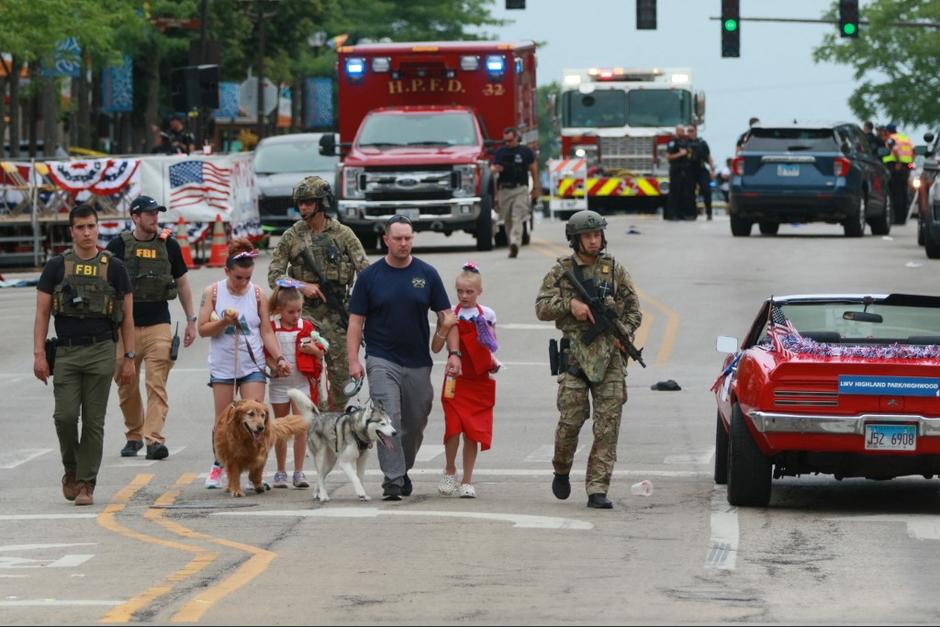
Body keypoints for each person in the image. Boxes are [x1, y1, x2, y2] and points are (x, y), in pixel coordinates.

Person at [346, 215, 462, 501]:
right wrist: (354, 360)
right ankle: (393, 480)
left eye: (408, 238)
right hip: (381, 358)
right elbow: (355, 323)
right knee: (390, 418)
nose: (403, 243)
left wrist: (454, 353)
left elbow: (447, 318)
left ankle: (403, 467)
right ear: (386, 240)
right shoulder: (370, 277)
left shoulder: (427, 274)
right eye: (397, 238)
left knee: (416, 419)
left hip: (418, 361)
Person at [534, 210, 643, 510]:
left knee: (607, 426)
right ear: (575, 239)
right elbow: (541, 307)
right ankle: (561, 467)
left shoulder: (615, 270)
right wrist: (571, 306)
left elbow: (634, 310)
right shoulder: (562, 270)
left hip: (610, 358)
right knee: (570, 421)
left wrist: (626, 333)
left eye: (597, 235)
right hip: (576, 358)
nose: (594, 241)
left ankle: (597, 488)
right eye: (587, 236)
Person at [33, 204, 136, 506]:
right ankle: (72, 469)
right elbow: (41, 314)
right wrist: (39, 354)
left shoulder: (114, 267)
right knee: (64, 417)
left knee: (94, 421)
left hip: (102, 349)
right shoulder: (55, 267)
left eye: (91, 226)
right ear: (72, 231)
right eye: (80, 227)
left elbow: (128, 318)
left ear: (98, 227)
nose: (87, 232)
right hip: (65, 351)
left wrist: (129, 357)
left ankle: (86, 484)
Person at [106, 195, 197, 461]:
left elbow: (182, 283)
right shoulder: (118, 246)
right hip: (125, 328)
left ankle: (154, 439)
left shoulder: (168, 244)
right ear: (135, 217)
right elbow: (106, 285)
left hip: (159, 323)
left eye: (156, 212)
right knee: (126, 384)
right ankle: (134, 434)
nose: (154, 217)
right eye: (148, 213)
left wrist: (191, 320)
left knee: (156, 383)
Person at [268, 176, 369, 410]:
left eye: (308, 202)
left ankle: (332, 419)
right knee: (307, 369)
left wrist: (360, 310)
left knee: (342, 377)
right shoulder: (292, 236)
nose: (303, 207)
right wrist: (300, 286)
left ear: (321, 203)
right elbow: (275, 276)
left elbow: (366, 272)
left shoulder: (343, 234)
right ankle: (317, 418)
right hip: (305, 315)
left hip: (338, 314)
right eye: (300, 203)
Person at [198, 238, 291, 489]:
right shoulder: (213, 292)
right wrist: (223, 323)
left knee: (257, 418)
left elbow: (267, 331)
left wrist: (279, 357)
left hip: (252, 365)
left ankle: (255, 471)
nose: (243, 283)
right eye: (238, 277)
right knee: (223, 421)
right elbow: (203, 329)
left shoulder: (258, 294)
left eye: (247, 278)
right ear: (227, 271)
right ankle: (219, 463)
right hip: (223, 365)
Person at [431, 262, 500, 499]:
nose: (464, 296)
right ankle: (449, 469)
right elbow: (436, 347)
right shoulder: (450, 313)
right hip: (455, 379)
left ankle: (467, 480)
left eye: (469, 292)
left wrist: (494, 363)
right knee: (452, 428)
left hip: (478, 379)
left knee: (473, 431)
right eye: (460, 291)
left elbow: (492, 346)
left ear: (479, 291)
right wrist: (445, 327)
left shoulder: (487, 315)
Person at [266, 284, 327, 489]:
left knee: (301, 428)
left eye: (299, 310)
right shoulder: (272, 327)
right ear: (279, 310)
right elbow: (266, 355)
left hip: (301, 383)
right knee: (282, 427)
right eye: (290, 312)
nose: (295, 315)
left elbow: (321, 350)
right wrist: (275, 367)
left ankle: (299, 472)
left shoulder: (307, 326)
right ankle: (281, 471)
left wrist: (315, 351)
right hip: (279, 384)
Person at [491, 127, 540, 258]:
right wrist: (495, 169)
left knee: (517, 216)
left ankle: (515, 243)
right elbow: (492, 169)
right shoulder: (500, 152)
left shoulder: (525, 152)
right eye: (505, 141)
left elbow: (534, 168)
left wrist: (535, 187)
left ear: (516, 138)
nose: (507, 143)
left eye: (510, 140)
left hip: (520, 189)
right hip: (505, 190)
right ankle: (511, 243)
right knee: (507, 220)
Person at [882, 122, 914, 221]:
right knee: (904, 192)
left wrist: (898, 163)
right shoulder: (905, 138)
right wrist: (910, 165)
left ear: (887, 131)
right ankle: (903, 217)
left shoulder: (891, 138)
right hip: (906, 167)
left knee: (895, 192)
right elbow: (914, 152)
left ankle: (896, 218)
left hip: (895, 166)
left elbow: (895, 150)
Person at [687, 125, 714, 220]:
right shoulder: (685, 143)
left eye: (692, 130)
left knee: (706, 190)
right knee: (690, 192)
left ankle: (709, 213)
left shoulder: (702, 143)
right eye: (688, 131)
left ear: (696, 131)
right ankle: (692, 214)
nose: (690, 133)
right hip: (690, 170)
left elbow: (708, 157)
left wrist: (712, 170)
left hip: (701, 169)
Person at [665, 125, 691, 221]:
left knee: (683, 193)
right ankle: (672, 214)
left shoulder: (683, 142)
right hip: (675, 170)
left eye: (683, 131)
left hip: (683, 170)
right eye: (681, 131)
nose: (683, 132)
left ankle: (681, 214)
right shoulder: (672, 142)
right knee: (674, 193)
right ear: (677, 131)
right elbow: (668, 157)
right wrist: (681, 154)